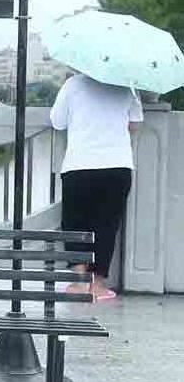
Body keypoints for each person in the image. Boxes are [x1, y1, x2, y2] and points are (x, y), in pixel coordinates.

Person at [49, 73, 143, 300]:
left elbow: (57, 121)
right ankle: (98, 285)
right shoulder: (127, 84)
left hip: (79, 165)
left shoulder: (72, 85)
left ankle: (79, 282)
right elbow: (136, 124)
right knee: (107, 225)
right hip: (117, 165)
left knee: (75, 223)